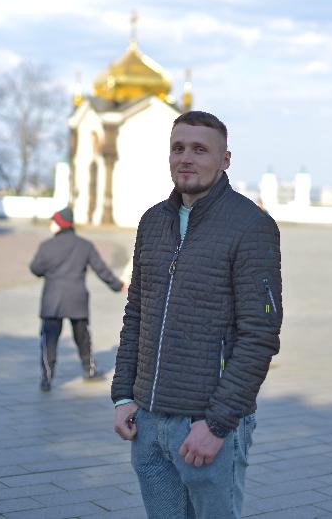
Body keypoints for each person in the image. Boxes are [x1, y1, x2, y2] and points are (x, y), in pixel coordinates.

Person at [112, 111, 282, 519]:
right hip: (148, 422)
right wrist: (122, 395)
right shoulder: (153, 221)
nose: (186, 157)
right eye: (178, 148)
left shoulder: (251, 226)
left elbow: (260, 334)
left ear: (225, 159)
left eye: (200, 149)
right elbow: (136, 312)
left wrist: (219, 424)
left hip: (207, 426)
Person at [30, 206, 125, 392]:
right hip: (77, 299)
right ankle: (88, 370)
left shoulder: (46, 246)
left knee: (49, 339)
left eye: (53, 221)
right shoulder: (85, 245)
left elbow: (35, 269)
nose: (51, 224)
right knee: (82, 337)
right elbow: (101, 269)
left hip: (52, 300)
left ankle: (47, 378)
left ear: (59, 224)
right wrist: (118, 285)